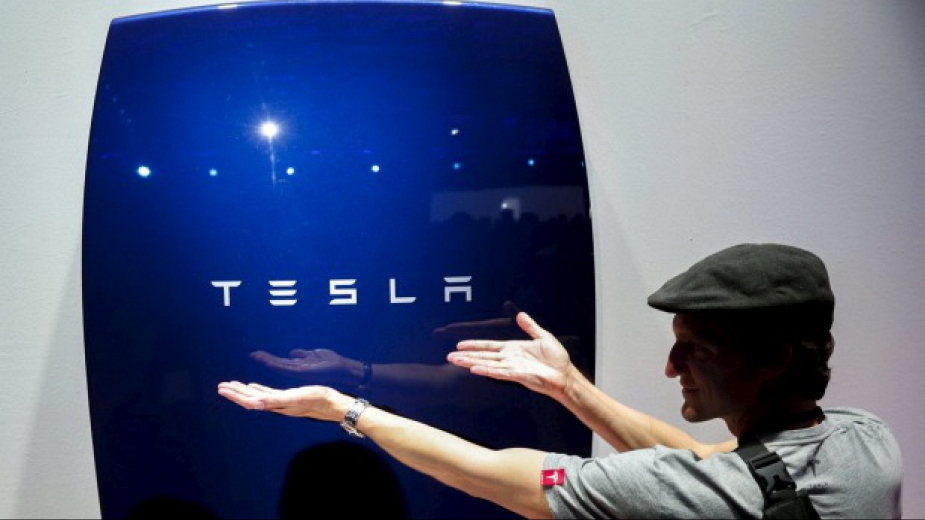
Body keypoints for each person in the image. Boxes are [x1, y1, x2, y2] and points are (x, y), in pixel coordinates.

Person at [217, 242, 902, 518]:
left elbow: (490, 474)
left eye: (697, 349)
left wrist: (344, 408)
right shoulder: (865, 441)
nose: (672, 368)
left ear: (774, 358)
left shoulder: (713, 498)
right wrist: (570, 386)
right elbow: (710, 464)